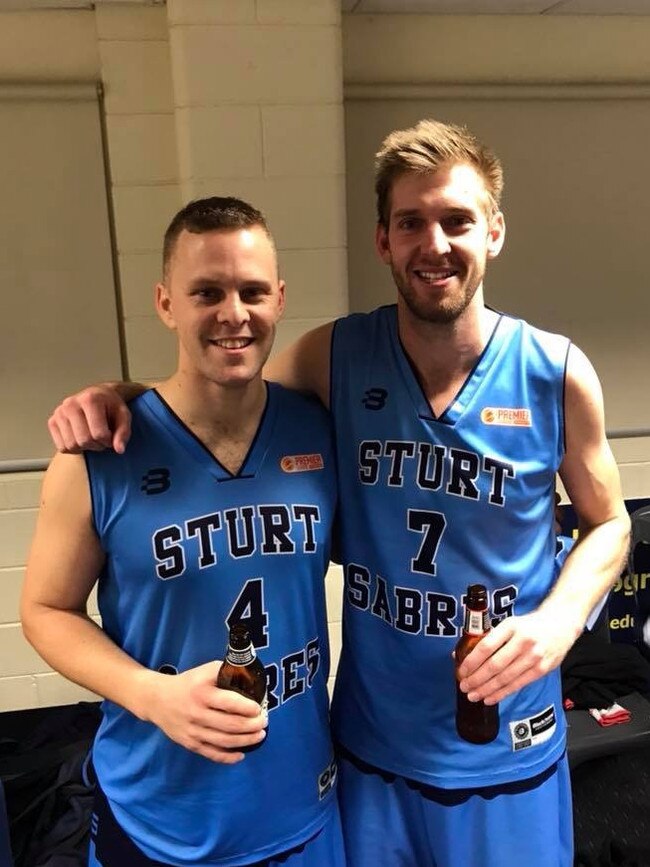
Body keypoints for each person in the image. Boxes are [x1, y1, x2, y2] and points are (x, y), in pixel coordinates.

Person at [47, 120, 630, 867]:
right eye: (411, 222)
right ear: (383, 241)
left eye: (457, 220)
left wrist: (558, 623)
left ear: (495, 231)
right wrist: (122, 398)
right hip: (368, 752)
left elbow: (608, 524)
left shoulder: (557, 372)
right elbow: (221, 403)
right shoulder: (336, 356)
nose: (436, 242)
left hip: (503, 740)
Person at [21, 197, 345, 867]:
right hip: (159, 815)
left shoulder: (320, 428)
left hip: (304, 806)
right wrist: (152, 695)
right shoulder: (100, 449)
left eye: (252, 290)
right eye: (207, 292)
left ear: (280, 299)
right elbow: (44, 609)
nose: (234, 312)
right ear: (166, 303)